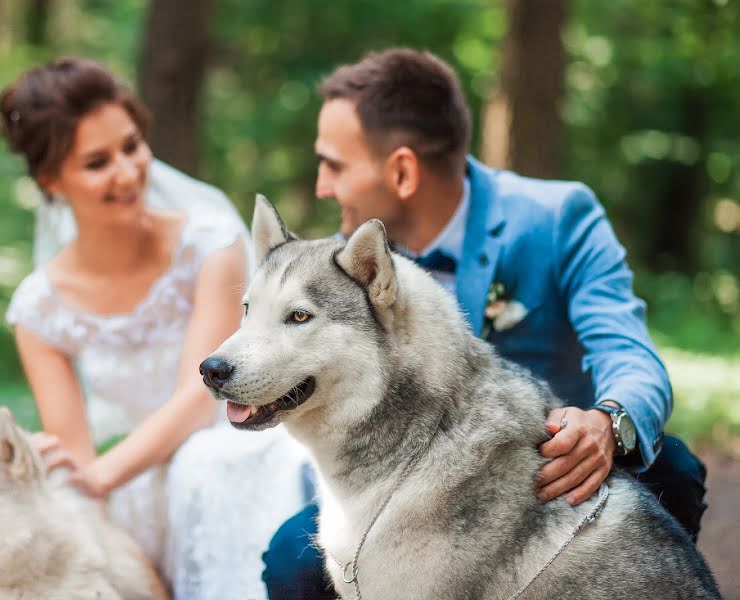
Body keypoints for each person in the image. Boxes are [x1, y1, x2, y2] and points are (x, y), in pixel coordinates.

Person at [262, 48, 708, 599]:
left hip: (547, 470)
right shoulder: (342, 270)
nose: (321, 187)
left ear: (401, 170)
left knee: (673, 470)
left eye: (333, 164)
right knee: (290, 560)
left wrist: (607, 424)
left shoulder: (557, 217)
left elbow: (631, 355)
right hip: (405, 486)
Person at [0, 57, 308, 600]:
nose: (128, 171)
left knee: (205, 465)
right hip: (131, 484)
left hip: (230, 449)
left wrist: (101, 477)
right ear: (52, 181)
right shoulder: (38, 309)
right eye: (97, 162)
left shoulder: (209, 244)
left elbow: (200, 396)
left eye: (132, 145)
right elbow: (77, 457)